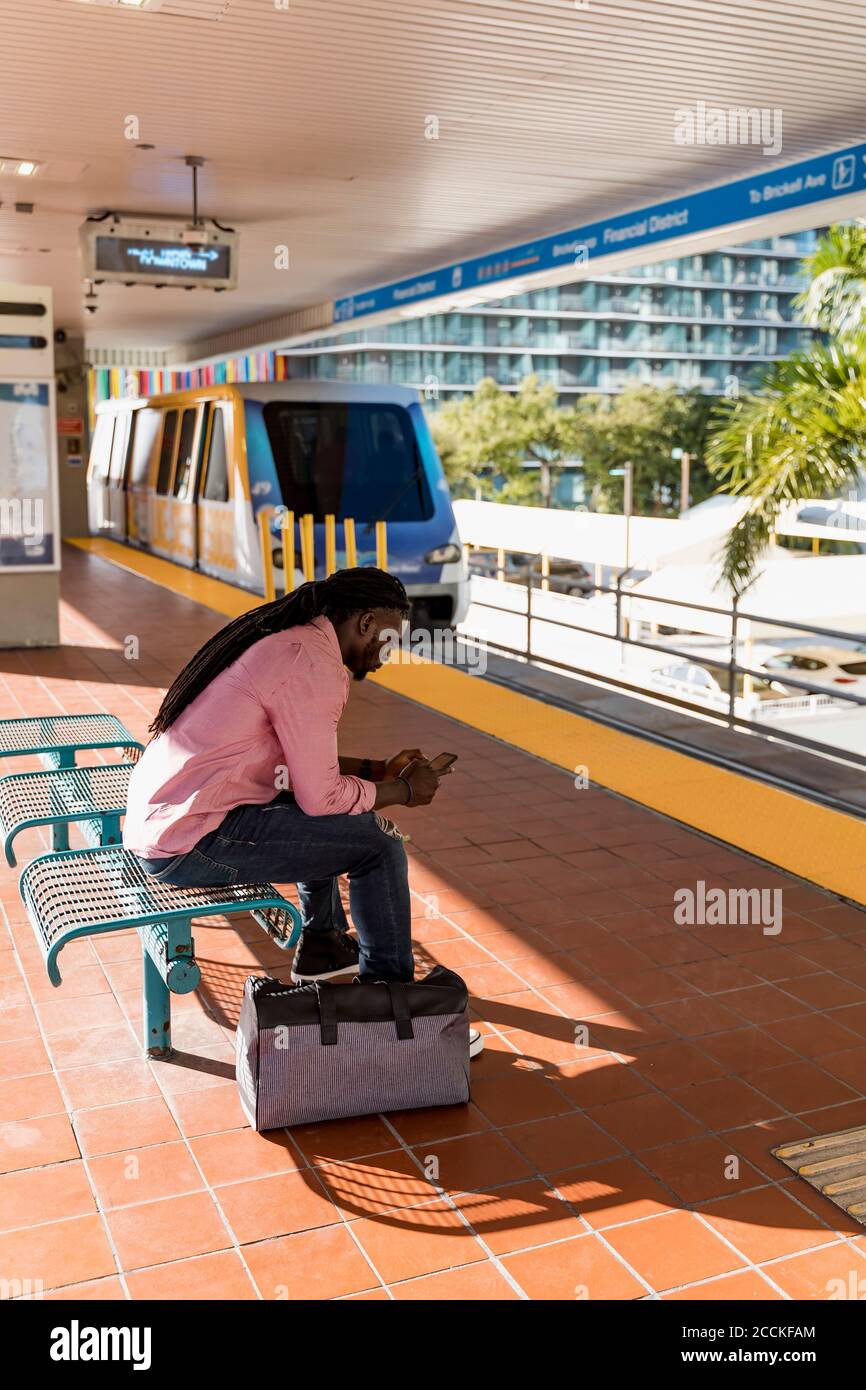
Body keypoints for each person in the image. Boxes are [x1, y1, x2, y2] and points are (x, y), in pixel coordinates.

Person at [123, 566, 483, 1056]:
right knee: (377, 844)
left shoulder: (291, 643)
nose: (387, 654)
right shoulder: (312, 663)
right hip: (191, 839)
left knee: (319, 811)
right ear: (364, 622)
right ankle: (390, 1010)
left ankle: (322, 945)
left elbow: (299, 768)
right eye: (387, 639)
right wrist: (401, 790)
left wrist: (379, 769)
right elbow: (322, 797)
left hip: (171, 820)